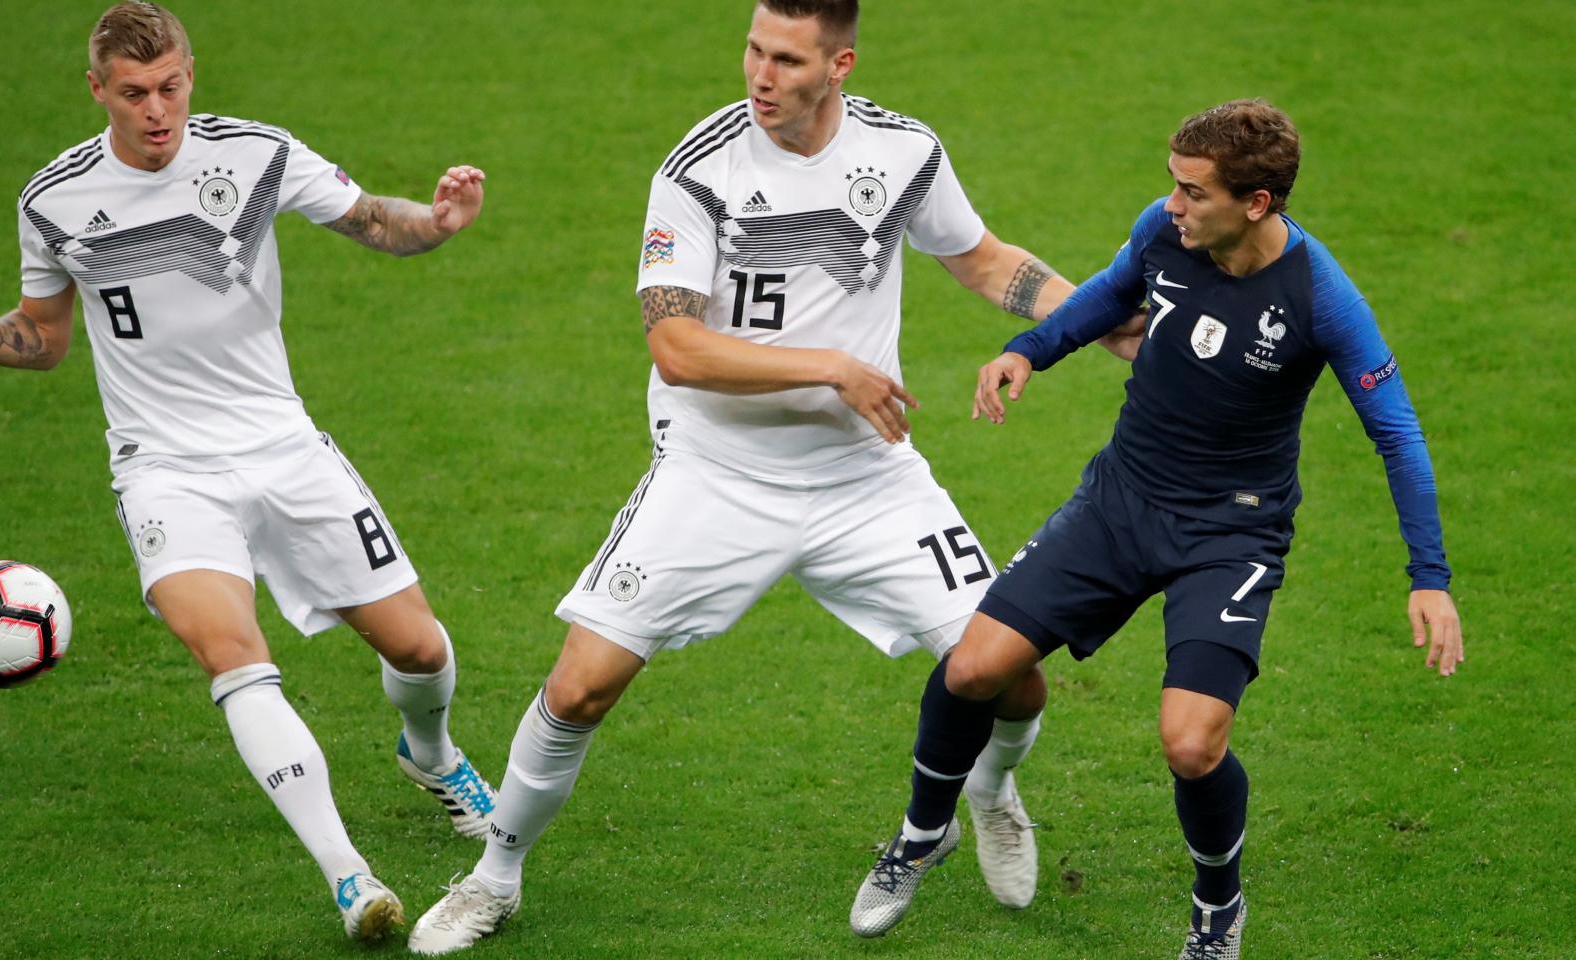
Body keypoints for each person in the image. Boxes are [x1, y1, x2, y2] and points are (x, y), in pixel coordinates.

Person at [405, 1, 1137, 954]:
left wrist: (1102, 323)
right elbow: (676, 347)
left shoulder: (903, 152)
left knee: (1012, 674)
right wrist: (830, 365)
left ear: (839, 64)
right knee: (581, 688)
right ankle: (493, 877)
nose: (759, 74)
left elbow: (983, 259)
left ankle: (990, 794)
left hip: (865, 479)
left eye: (786, 59)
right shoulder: (698, 170)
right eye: (753, 49)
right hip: (719, 474)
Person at [0, 1, 498, 942]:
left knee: (420, 649)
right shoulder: (55, 199)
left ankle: (433, 755)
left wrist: (439, 221)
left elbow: (375, 220)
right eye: (134, 94)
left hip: (283, 443)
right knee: (237, 659)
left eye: (169, 87)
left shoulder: (255, 155)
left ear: (190, 76)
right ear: (99, 92)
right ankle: (351, 880)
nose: (156, 111)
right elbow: (41, 340)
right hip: (164, 468)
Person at [849, 99, 1466, 956]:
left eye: (1192, 192)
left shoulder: (1322, 297)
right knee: (972, 668)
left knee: (1191, 745)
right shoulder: (1165, 231)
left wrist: (1428, 577)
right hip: (1121, 501)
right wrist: (1031, 350)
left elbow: (1396, 432)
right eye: (1171, 186)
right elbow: (1110, 293)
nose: (1171, 205)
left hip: (1231, 535)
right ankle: (924, 832)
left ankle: (1218, 908)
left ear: (1256, 203)